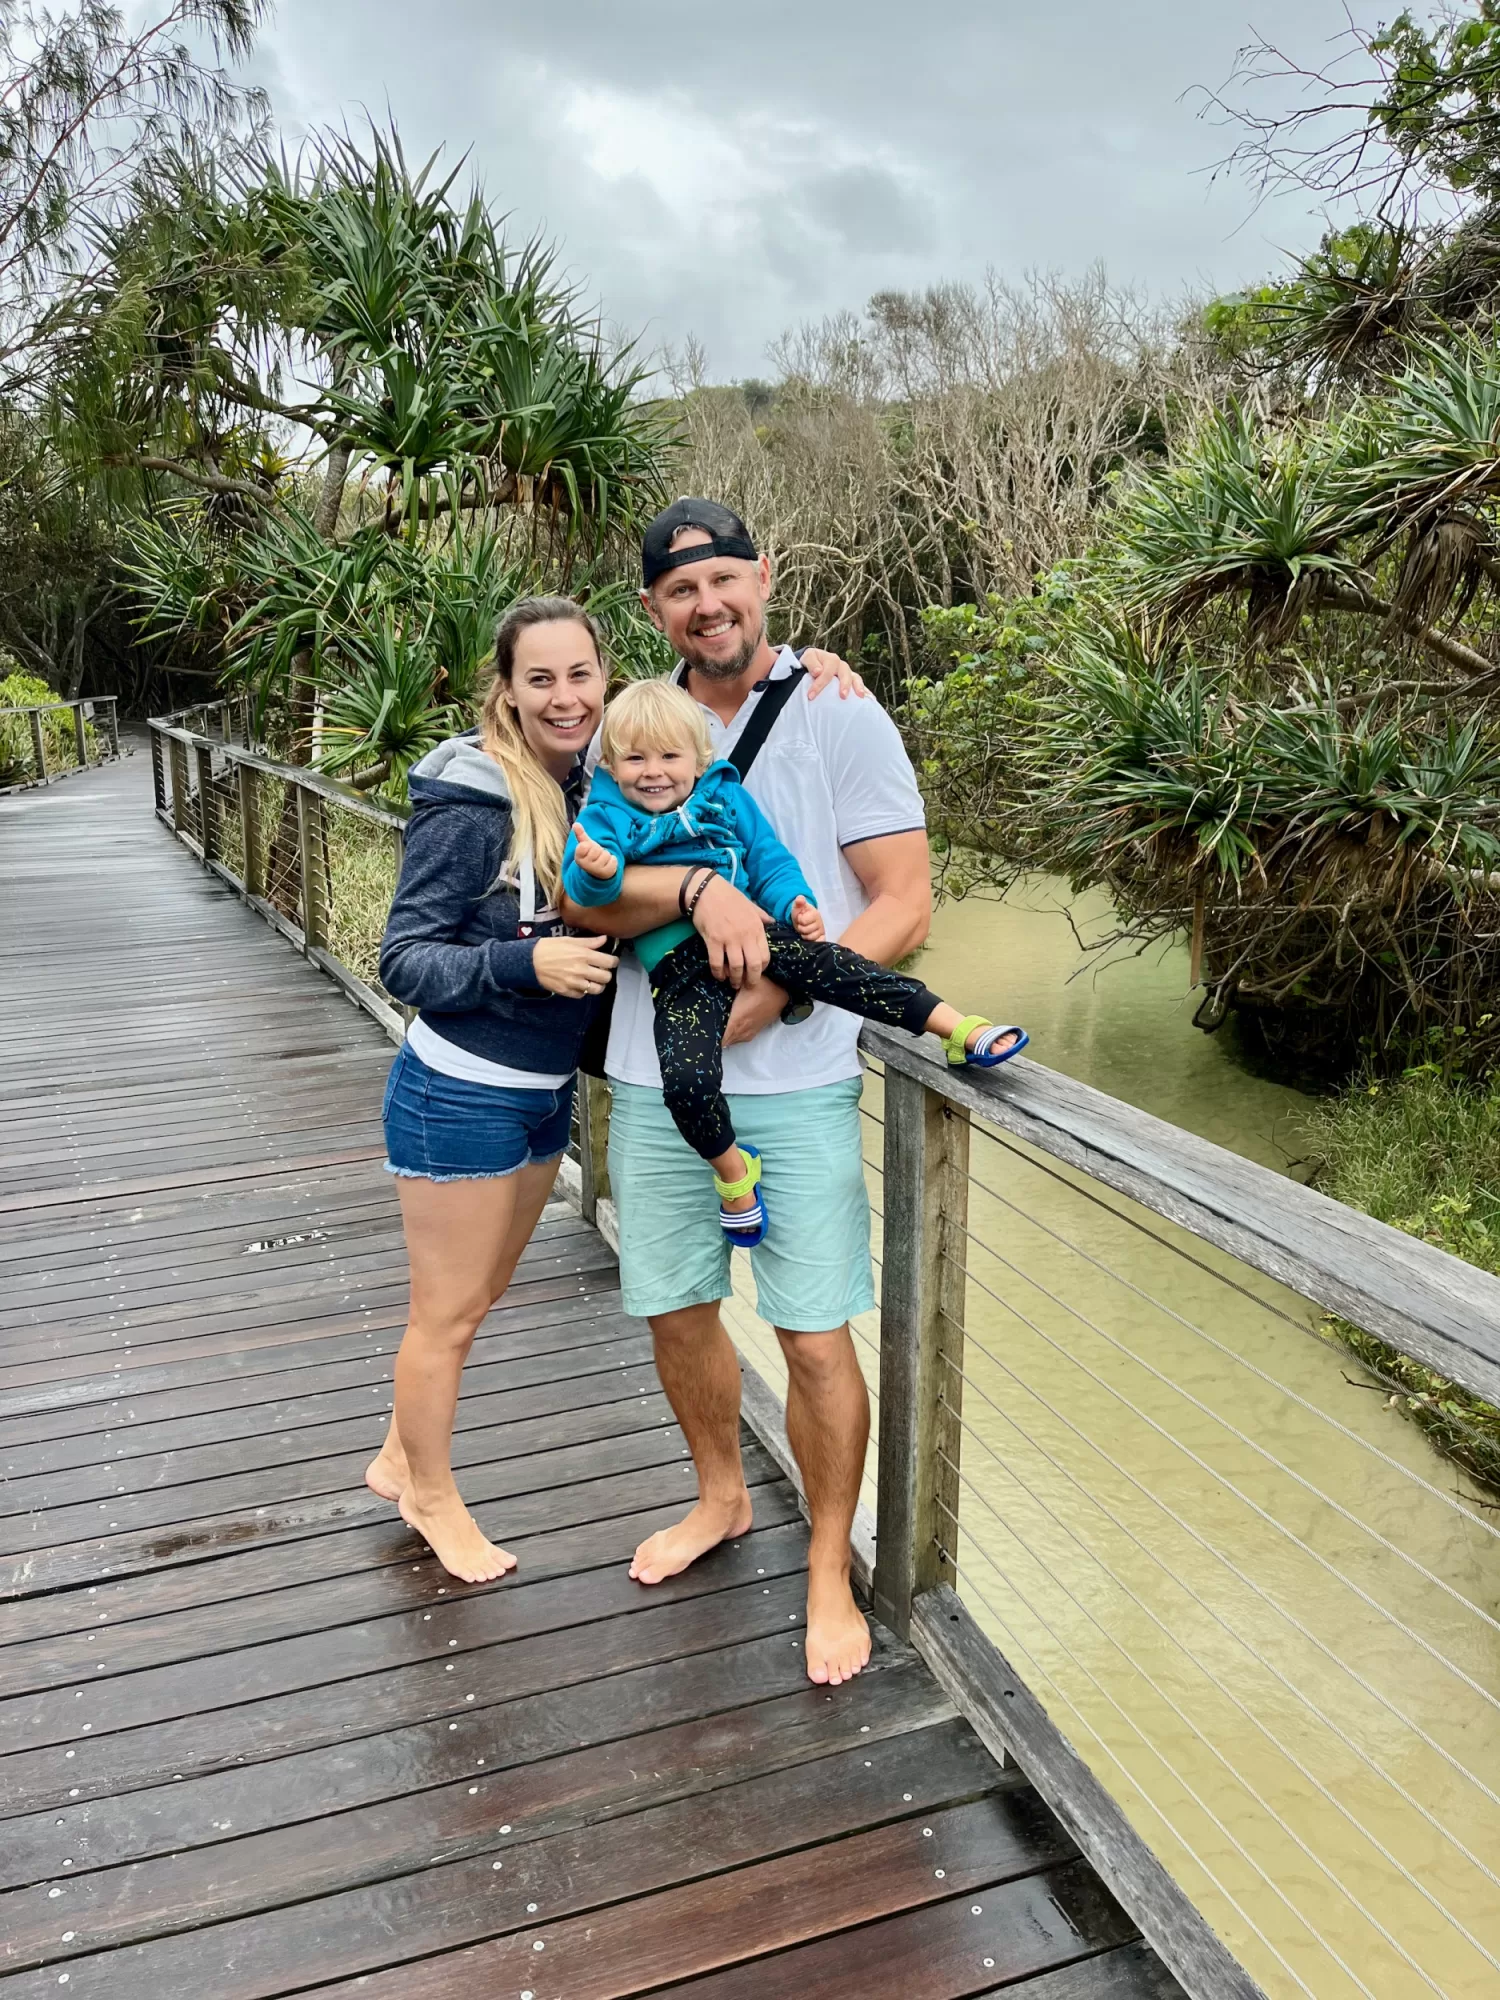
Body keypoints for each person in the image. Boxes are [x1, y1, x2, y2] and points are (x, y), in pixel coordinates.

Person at [560, 496, 953, 1687]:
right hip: (651, 1075)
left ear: (764, 577)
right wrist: (692, 898)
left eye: (726, 579)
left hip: (797, 1081)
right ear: (653, 608)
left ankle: (831, 1566)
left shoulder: (839, 707)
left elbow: (903, 901)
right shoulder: (635, 727)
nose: (708, 604)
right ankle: (722, 1494)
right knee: (676, 1307)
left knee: (816, 1334)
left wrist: (776, 994)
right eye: (682, 590)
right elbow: (588, 897)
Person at [562, 677, 1026, 1243]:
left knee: (841, 970)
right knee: (684, 1080)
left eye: (669, 756)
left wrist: (796, 903)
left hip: (759, 936)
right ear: (610, 764)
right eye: (634, 759)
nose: (653, 771)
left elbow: (770, 860)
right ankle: (734, 1172)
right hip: (679, 971)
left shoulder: (725, 798)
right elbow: (585, 894)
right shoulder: (607, 818)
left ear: (699, 757)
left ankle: (956, 1028)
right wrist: (596, 872)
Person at [367, 596, 617, 1584]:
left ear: (606, 677)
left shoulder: (599, 783)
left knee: (481, 1294)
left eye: (580, 674)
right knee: (447, 1314)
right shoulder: (474, 798)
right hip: (459, 1091)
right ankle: (431, 1494)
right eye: (540, 678)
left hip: (545, 1090)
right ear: (506, 691)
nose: (565, 696)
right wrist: (527, 968)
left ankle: (399, 1453)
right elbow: (404, 958)